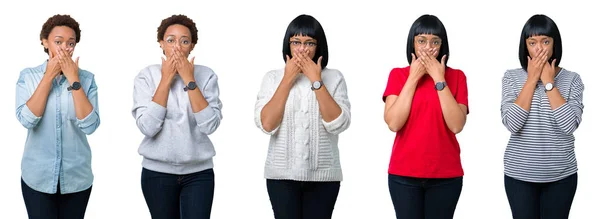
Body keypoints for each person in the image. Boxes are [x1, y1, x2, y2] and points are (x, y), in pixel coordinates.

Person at [254, 14, 351, 219]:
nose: (302, 49)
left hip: (324, 178)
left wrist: (316, 80)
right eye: (296, 42)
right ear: (288, 45)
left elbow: (338, 124)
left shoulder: (334, 77)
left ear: (318, 46)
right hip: (281, 177)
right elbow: (267, 124)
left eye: (309, 43)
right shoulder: (272, 78)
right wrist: (288, 79)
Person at [132, 14, 223, 219]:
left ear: (192, 46)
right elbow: (148, 127)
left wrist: (189, 79)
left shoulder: (206, 75)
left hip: (199, 173)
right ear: (161, 43)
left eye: (184, 41)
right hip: (157, 173)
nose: (177, 47)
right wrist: (166, 80)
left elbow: (209, 125)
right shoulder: (147, 76)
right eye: (171, 40)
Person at [382, 14, 469, 219]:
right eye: (421, 41)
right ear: (412, 44)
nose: (428, 47)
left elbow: (456, 125)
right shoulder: (398, 75)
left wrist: (439, 78)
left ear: (442, 46)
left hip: (446, 175)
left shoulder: (457, 76)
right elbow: (394, 122)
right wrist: (414, 77)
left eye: (435, 41)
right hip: (403, 175)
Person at [16, 14, 100, 219]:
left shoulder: (86, 79)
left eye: (70, 43)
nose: (65, 48)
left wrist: (73, 79)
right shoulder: (28, 76)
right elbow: (27, 120)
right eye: (58, 42)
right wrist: (49, 76)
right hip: (37, 177)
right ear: (45, 42)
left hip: (77, 178)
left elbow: (90, 126)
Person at [501, 14, 583, 219]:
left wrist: (548, 82)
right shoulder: (511, 77)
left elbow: (569, 125)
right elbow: (512, 123)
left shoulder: (572, 79)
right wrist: (531, 80)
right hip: (519, 175)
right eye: (532, 42)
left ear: (555, 44)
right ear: (525, 46)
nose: (539, 49)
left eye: (545, 41)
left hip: (561, 176)